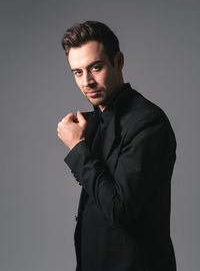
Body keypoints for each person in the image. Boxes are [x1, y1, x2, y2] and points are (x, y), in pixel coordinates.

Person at [57, 21, 177, 271]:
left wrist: (78, 149)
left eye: (95, 67)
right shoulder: (95, 122)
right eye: (77, 72)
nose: (86, 81)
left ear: (118, 61)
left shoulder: (148, 122)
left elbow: (119, 209)